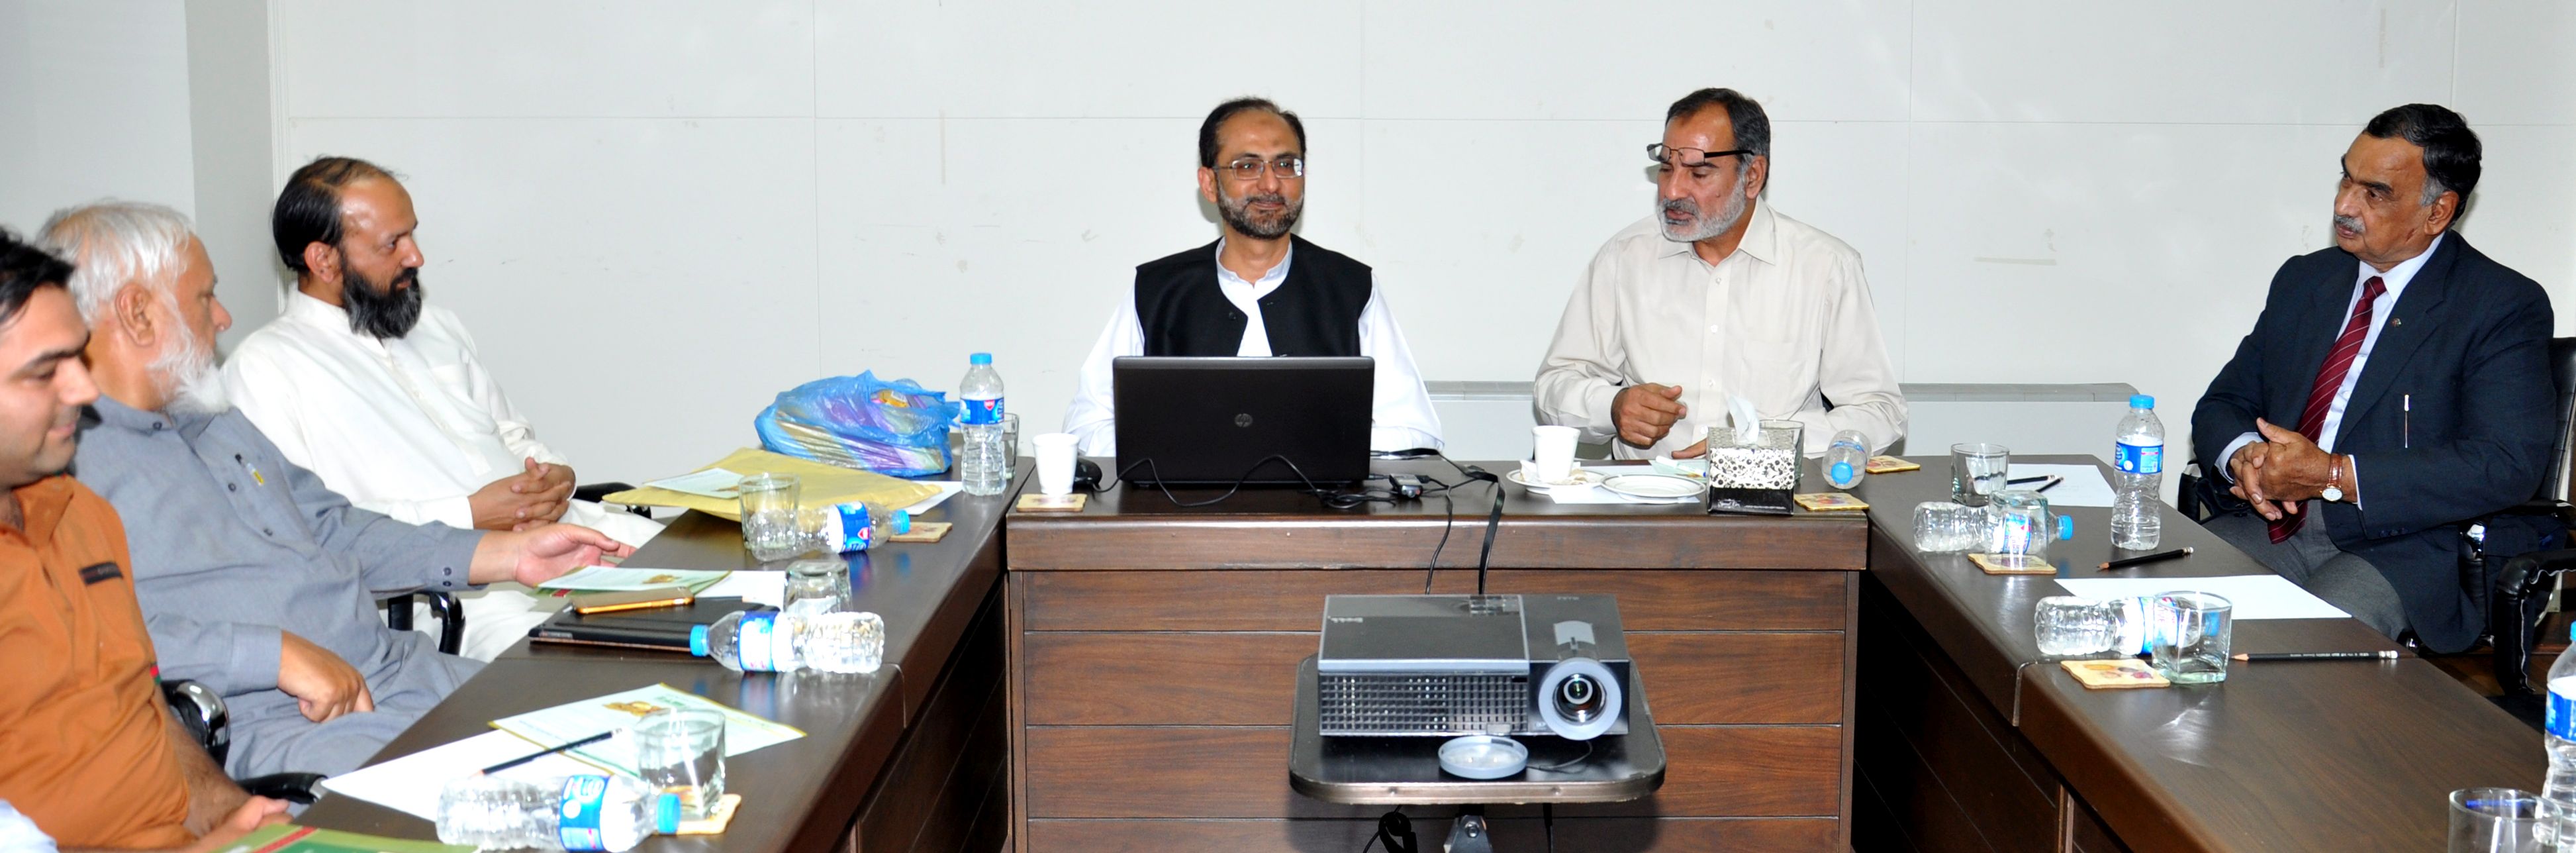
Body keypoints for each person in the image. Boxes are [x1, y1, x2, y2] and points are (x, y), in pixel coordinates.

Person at [39, 201, 633, 779]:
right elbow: (80, 640)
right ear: (138, 313)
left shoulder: (217, 422)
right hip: (289, 722)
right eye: (204, 297)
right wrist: (271, 654)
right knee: (556, 781)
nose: (222, 318)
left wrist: (506, 554)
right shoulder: (60, 465)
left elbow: (333, 528)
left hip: (398, 672)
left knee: (624, 721)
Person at [220, 157, 660, 660]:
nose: (416, 256)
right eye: (392, 244)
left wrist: (555, 474)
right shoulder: (265, 369)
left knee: (724, 574)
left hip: (570, 533)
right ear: (324, 260)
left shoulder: (435, 326)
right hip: (454, 597)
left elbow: (511, 433)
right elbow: (308, 536)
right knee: (591, 666)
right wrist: (470, 514)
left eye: (412, 234)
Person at [2191, 104, 2553, 650]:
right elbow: (2223, 403)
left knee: (2302, 650)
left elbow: (2504, 463)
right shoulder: (2305, 280)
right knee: (2163, 611)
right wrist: (2244, 456)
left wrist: (2335, 475)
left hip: (2399, 545)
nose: (2344, 205)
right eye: (2345, 179)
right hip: (2271, 522)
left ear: (2437, 213)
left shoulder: (2498, 304)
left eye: (2374, 193)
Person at [0, 228, 287, 850]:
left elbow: (143, 705)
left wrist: (232, 815)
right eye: (45, 371)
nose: (84, 390)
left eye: (79, 358)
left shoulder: (83, 515)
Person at [1534, 87, 1905, 458]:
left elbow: (1879, 412)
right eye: (1666, 168)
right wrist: (1612, 406)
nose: (1672, 190)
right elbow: (1556, 384)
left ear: (1752, 176)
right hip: (1647, 490)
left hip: (1770, 491)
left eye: (1699, 173)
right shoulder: (1625, 258)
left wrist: (1762, 441)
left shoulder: (1824, 267)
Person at [1061, 97, 1441, 455]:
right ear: (1210, 184)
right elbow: (1085, 427)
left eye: (1285, 164)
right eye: (1247, 166)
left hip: (1320, 504)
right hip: (1184, 503)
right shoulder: (1158, 291)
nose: (1271, 184)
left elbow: (1417, 432)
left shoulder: (1350, 288)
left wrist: (1306, 448)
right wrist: (1185, 450)